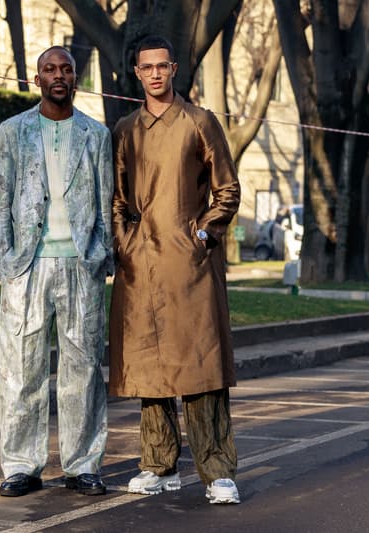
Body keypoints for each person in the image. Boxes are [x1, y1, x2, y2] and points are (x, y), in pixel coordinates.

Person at [108, 35, 242, 504]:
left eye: (162, 66)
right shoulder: (126, 128)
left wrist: (202, 235)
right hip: (141, 261)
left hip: (190, 263)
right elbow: (119, 198)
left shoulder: (200, 121)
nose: (155, 74)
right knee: (151, 366)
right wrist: (126, 244)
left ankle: (217, 470)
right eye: (147, 68)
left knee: (201, 366)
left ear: (175, 68)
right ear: (137, 74)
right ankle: (158, 464)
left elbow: (227, 190)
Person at [0, 45, 113, 498]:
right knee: (21, 368)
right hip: (27, 265)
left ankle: (83, 465)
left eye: (65, 69)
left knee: (82, 367)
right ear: (36, 78)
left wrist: (102, 253)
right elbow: (0, 199)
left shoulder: (95, 134)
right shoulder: (12, 131)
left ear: (75, 79)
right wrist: (6, 261)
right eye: (49, 69)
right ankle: (22, 464)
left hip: (82, 265)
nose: (58, 75)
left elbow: (105, 200)